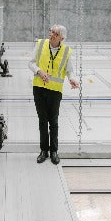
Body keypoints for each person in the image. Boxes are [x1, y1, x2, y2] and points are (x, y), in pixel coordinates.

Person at [29, 25, 79, 165]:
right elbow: (31, 63)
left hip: (55, 91)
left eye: (55, 34)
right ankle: (44, 150)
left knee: (54, 121)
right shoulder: (40, 44)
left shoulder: (66, 51)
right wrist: (39, 71)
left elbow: (70, 71)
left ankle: (54, 151)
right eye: (51, 32)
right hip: (39, 87)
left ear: (61, 38)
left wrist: (72, 79)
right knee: (42, 120)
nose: (51, 35)